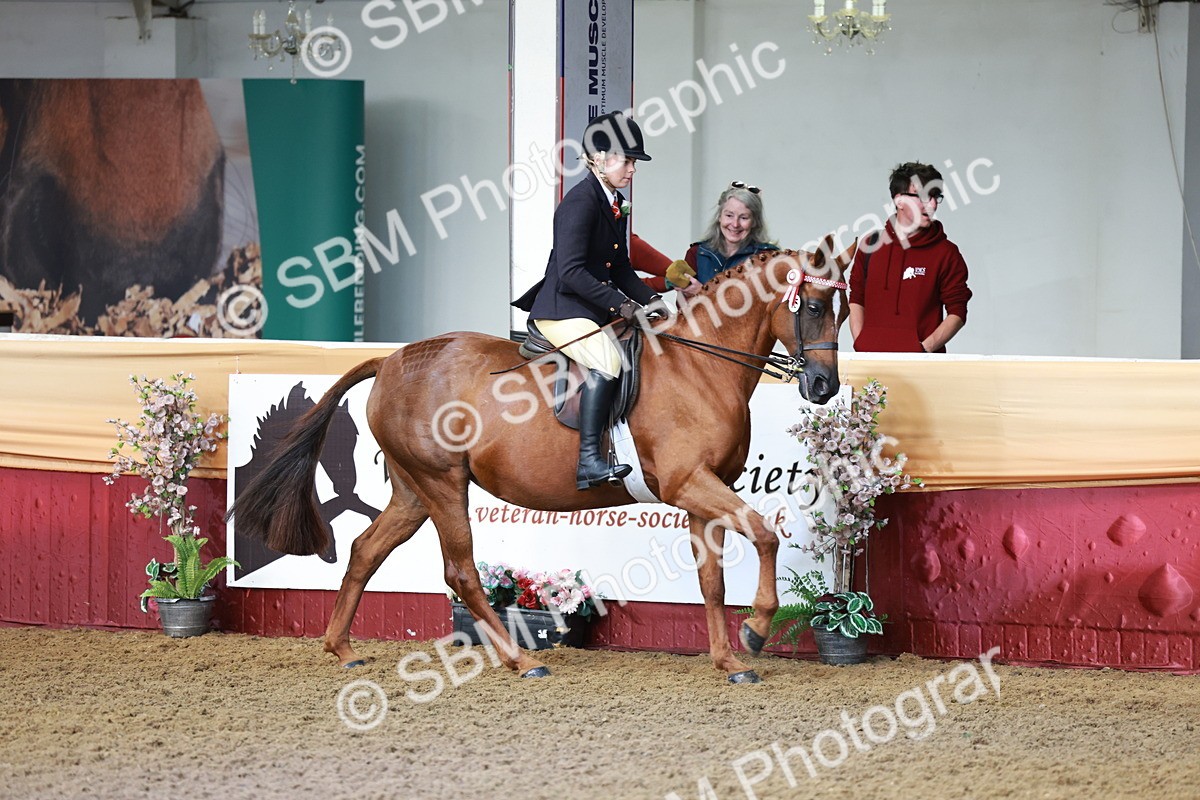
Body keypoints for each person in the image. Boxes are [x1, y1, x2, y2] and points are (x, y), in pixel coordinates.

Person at [512, 111, 667, 490]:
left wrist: (652, 301)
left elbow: (622, 270)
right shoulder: (580, 202)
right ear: (599, 158)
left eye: (634, 162)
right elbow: (571, 272)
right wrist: (622, 306)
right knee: (609, 359)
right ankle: (589, 462)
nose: (633, 170)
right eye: (627, 160)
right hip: (563, 310)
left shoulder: (613, 202)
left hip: (590, 308)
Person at [849, 162, 972, 353]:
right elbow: (857, 298)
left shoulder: (947, 254)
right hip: (871, 365)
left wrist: (922, 349)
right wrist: (861, 342)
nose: (931, 204)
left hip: (922, 369)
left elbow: (957, 312)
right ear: (899, 200)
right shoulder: (871, 244)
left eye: (935, 197)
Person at [678, 182, 778, 297]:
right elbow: (683, 307)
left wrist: (702, 292)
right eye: (729, 215)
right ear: (719, 217)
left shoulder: (767, 258)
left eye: (744, 217)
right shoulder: (696, 253)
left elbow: (760, 309)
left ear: (755, 222)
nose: (735, 224)